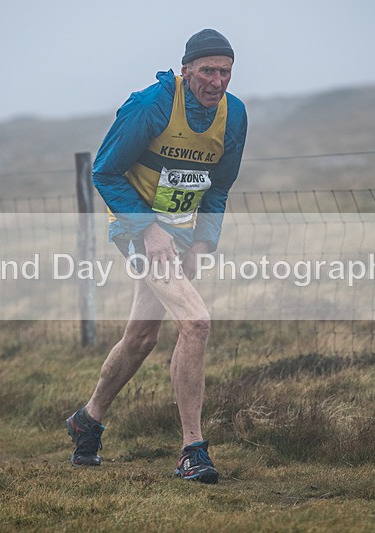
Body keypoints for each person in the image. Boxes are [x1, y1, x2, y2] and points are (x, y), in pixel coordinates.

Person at [65, 29, 247, 484]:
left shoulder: (235, 115)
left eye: (225, 72)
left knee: (141, 339)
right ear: (186, 70)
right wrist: (147, 230)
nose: (217, 81)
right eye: (208, 70)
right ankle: (193, 449)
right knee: (197, 322)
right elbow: (104, 171)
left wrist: (204, 242)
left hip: (183, 238)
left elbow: (219, 186)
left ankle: (87, 420)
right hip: (139, 233)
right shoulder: (151, 106)